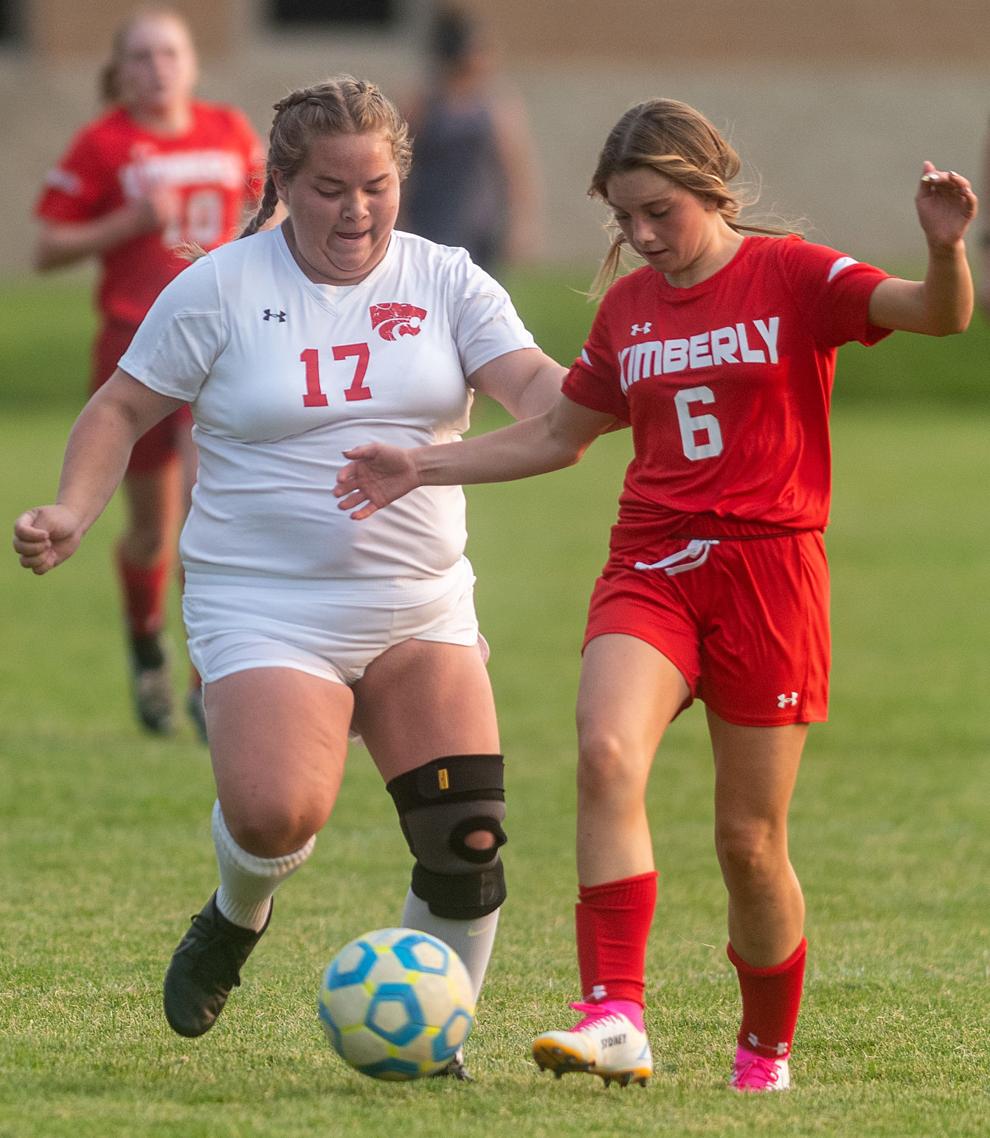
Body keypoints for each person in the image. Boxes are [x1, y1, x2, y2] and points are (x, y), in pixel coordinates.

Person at [332, 98, 978, 1091]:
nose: (639, 237)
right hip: (653, 565)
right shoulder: (628, 310)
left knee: (748, 842)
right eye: (623, 218)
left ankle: (764, 1050)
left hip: (770, 576)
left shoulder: (794, 274)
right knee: (605, 751)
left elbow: (941, 314)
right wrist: (420, 465)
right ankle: (616, 1015)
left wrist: (943, 248)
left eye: (657, 213)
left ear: (709, 189)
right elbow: (560, 435)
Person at [14, 75, 565, 1077]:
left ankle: (433, 1044)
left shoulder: (447, 279)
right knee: (275, 814)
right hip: (266, 604)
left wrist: (603, 390)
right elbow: (121, 408)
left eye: (376, 188)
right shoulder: (222, 286)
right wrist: (73, 510)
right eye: (329, 189)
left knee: (468, 835)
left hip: (419, 603)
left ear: (401, 181)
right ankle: (237, 912)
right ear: (283, 183)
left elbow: (537, 391)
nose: (356, 211)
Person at [32, 6, 266, 741]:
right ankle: (145, 647)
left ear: (191, 64)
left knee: (205, 512)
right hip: (134, 349)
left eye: (170, 53)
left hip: (217, 348)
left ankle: (205, 681)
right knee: (149, 531)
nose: (158, 67)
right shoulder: (103, 143)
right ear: (122, 70)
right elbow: (47, 247)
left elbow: (271, 215)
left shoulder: (228, 130)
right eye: (142, 55)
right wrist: (126, 223)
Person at [400, 5, 541, 275]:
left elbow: (515, 168)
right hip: (430, 219)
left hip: (479, 222)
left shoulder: (495, 105)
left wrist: (522, 223)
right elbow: (401, 166)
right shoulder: (422, 104)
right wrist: (399, 216)